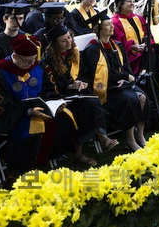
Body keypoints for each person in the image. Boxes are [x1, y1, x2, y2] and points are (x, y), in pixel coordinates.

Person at [0, 33, 78, 170]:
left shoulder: (36, 66)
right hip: (12, 117)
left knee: (65, 117)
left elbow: (48, 89)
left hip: (39, 109)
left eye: (34, 60)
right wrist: (28, 111)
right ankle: (25, 168)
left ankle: (52, 156)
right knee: (34, 126)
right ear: (15, 56)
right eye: (27, 61)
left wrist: (54, 103)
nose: (32, 65)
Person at [40, 23, 118, 164]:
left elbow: (84, 74)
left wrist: (82, 82)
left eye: (69, 37)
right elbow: (51, 86)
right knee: (88, 106)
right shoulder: (47, 62)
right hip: (60, 97)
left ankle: (90, 144)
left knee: (91, 103)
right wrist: (70, 85)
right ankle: (98, 140)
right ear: (55, 44)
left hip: (78, 94)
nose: (68, 42)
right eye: (63, 41)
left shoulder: (75, 54)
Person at [79, 10, 149, 152]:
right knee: (129, 100)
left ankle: (140, 135)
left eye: (112, 24)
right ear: (99, 29)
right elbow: (102, 74)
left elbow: (126, 67)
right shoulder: (92, 49)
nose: (112, 27)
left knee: (143, 97)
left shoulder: (117, 45)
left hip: (122, 84)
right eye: (107, 25)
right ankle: (130, 140)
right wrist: (124, 77)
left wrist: (127, 78)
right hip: (106, 88)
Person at [111, 0, 159, 85]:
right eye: (129, 1)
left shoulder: (139, 18)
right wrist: (132, 47)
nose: (132, 4)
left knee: (155, 51)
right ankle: (142, 80)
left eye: (133, 2)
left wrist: (147, 44)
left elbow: (149, 35)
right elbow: (116, 42)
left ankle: (151, 84)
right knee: (145, 57)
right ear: (121, 4)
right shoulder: (115, 22)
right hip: (128, 55)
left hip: (143, 50)